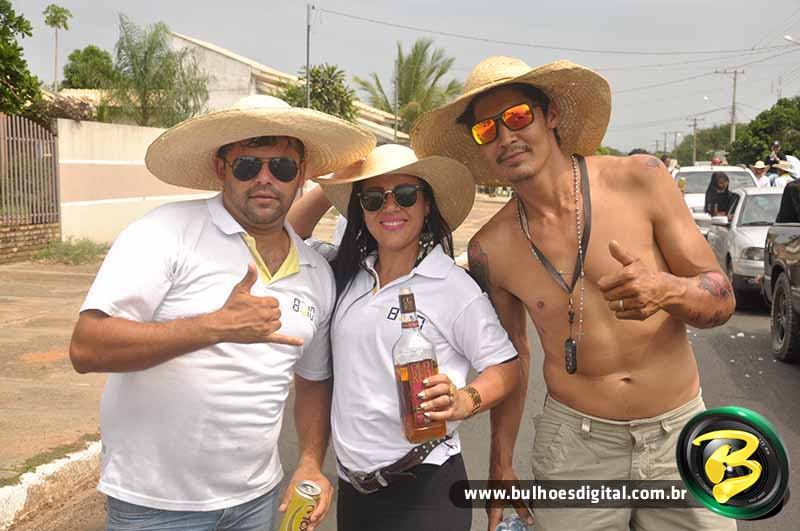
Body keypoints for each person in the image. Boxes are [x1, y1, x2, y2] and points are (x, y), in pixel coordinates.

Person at [411, 56, 737, 531]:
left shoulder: (640, 180)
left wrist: (666, 289)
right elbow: (513, 356)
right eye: (486, 129)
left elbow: (722, 298)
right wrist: (500, 461)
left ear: (551, 116)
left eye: (517, 116)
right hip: (576, 447)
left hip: (678, 435)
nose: (505, 137)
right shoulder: (490, 248)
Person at [68, 95, 375, 531]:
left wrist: (309, 462)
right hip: (155, 507)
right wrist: (214, 327)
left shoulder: (316, 273)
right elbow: (87, 347)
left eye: (281, 167)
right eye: (247, 166)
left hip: (255, 502)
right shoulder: (165, 232)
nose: (265, 179)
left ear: (302, 174)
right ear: (221, 168)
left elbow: (312, 380)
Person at [288, 144, 521, 531]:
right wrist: (338, 182)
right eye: (374, 198)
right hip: (355, 490)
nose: (390, 207)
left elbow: (506, 367)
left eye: (406, 195)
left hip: (426, 490)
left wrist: (465, 400)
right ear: (361, 210)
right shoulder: (346, 273)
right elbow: (291, 234)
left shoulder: (451, 285)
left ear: (427, 205)